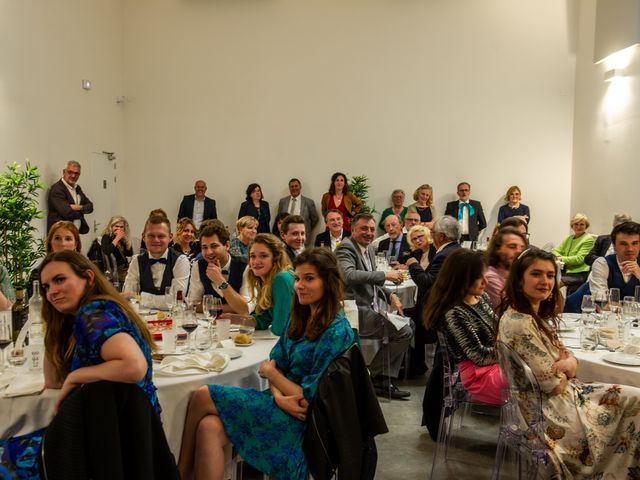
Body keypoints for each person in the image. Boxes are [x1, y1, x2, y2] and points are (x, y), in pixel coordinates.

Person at [177, 248, 356, 480]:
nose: (300, 285)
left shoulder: (335, 331)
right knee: (208, 427)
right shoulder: (301, 316)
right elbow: (274, 363)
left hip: (307, 424)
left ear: (329, 282)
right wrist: (279, 395)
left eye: (309, 279)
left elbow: (311, 399)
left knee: (203, 395)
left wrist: (274, 377)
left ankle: (179, 471)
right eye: (298, 279)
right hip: (280, 403)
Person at [498, 247, 640, 478]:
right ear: (519, 279)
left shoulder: (526, 315)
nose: (545, 281)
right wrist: (571, 365)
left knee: (634, 397)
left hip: (554, 401)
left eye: (550, 275)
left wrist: (569, 362)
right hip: (550, 413)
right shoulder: (520, 324)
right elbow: (554, 385)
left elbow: (559, 360)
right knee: (636, 404)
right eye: (536, 274)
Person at [336, 213, 412, 399]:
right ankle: (374, 376)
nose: (369, 233)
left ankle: (381, 377)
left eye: (371, 229)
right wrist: (385, 275)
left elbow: (372, 280)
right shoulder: (345, 248)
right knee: (404, 331)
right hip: (353, 311)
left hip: (369, 307)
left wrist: (390, 294)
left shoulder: (368, 249)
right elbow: (349, 276)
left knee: (408, 325)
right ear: (353, 230)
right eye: (364, 229)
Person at [423, 249, 505, 405]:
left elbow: (499, 331)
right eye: (478, 277)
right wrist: (511, 352)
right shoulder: (454, 312)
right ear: (460, 279)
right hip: (477, 376)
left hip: (494, 365)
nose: (485, 282)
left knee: (541, 373)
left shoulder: (481, 297)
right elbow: (479, 356)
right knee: (535, 379)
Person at [565, 221, 640, 312]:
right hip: (580, 314)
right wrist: (632, 307)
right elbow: (603, 304)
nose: (630, 249)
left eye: (635, 243)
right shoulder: (602, 263)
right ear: (614, 246)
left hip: (622, 319)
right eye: (623, 244)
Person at [123, 216, 190, 309]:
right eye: (151, 236)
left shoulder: (180, 261)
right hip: (142, 318)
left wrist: (140, 297)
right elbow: (128, 298)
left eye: (161, 236)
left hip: (173, 319)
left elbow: (176, 301)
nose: (156, 240)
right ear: (143, 237)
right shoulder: (136, 261)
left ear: (170, 237)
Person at [186, 220, 248, 314]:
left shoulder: (245, 266)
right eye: (204, 247)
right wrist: (232, 307)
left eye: (214, 246)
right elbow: (192, 304)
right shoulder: (198, 265)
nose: (208, 252)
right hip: (206, 324)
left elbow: (245, 309)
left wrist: (220, 281)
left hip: (239, 326)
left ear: (227, 245)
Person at [246, 234, 295, 336]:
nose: (256, 261)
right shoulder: (267, 279)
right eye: (253, 256)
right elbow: (264, 319)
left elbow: (281, 329)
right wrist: (234, 319)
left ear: (276, 258)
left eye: (263, 256)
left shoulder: (282, 278)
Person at [28, 221, 83, 298]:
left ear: (75, 244)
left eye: (68, 239)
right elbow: (36, 306)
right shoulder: (38, 273)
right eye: (57, 238)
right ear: (50, 242)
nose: (63, 243)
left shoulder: (84, 270)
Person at [484, 227, 527, 310]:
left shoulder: (515, 273)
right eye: (512, 247)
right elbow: (507, 311)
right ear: (497, 249)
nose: (519, 251)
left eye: (522, 248)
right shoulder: (490, 277)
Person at [552, 213, 595, 293]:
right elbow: (556, 250)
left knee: (553, 286)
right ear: (572, 226)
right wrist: (558, 256)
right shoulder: (569, 238)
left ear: (586, 226)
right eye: (576, 224)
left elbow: (579, 259)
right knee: (550, 281)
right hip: (566, 271)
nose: (578, 227)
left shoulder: (588, 239)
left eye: (581, 224)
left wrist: (560, 258)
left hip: (579, 274)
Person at [47, 160, 94, 235]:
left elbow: (90, 207)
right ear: (64, 172)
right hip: (60, 235)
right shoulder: (57, 189)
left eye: (76, 173)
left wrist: (78, 207)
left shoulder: (77, 188)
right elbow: (67, 213)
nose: (73, 176)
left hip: (74, 233)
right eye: (70, 172)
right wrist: (82, 211)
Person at [276, 178, 319, 246]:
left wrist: (305, 228)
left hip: (301, 239)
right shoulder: (283, 201)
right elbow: (279, 218)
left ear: (300, 187)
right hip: (285, 238)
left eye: (296, 186)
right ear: (289, 188)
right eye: (292, 186)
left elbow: (315, 219)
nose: (294, 188)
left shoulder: (308, 202)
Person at [100, 216, 134, 285]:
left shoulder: (122, 238)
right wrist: (117, 238)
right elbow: (107, 251)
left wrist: (127, 240)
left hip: (124, 268)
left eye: (121, 227)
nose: (119, 229)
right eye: (116, 226)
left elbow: (129, 253)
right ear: (111, 226)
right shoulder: (106, 236)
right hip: (113, 271)